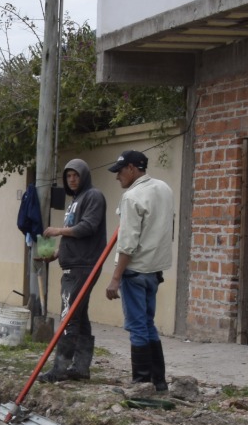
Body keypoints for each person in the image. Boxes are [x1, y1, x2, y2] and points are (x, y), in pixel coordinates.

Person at [104, 149, 175, 393]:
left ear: (132, 169)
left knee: (137, 327)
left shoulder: (131, 197)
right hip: (154, 271)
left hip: (134, 271)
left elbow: (127, 243)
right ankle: (159, 381)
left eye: (120, 171)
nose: (117, 177)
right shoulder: (164, 189)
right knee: (147, 324)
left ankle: (141, 381)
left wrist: (115, 278)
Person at [39, 158, 107, 382]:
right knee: (79, 316)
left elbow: (88, 227)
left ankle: (59, 369)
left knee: (68, 316)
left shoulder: (93, 196)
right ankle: (81, 368)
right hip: (72, 264)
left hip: (83, 266)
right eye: (68, 176)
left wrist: (58, 230)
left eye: (76, 175)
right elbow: (73, 233)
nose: (72, 179)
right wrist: (57, 253)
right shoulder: (75, 200)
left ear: (84, 175)